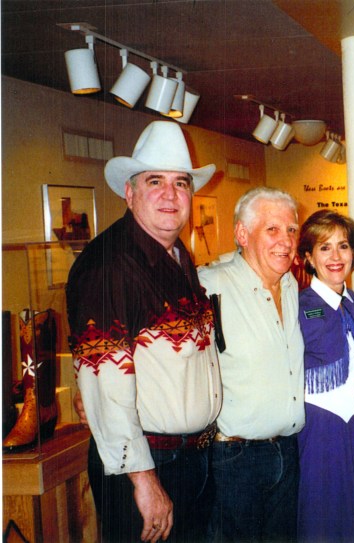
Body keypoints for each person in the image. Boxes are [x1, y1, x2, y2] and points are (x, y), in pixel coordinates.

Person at [66, 121, 222, 543]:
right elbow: (106, 386)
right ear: (129, 192)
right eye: (156, 181)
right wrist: (144, 480)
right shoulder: (110, 266)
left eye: (181, 183)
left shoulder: (176, 256)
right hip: (148, 467)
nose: (170, 195)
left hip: (189, 460)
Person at [197, 187, 305, 542]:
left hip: (287, 452)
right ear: (242, 234)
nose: (286, 241)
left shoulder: (290, 285)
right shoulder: (209, 285)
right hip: (235, 459)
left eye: (291, 230)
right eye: (272, 229)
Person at [296, 210, 354, 542]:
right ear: (308, 257)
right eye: (324, 247)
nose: (336, 256)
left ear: (353, 253)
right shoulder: (299, 305)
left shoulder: (352, 300)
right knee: (321, 520)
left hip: (350, 424)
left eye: (343, 246)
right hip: (317, 427)